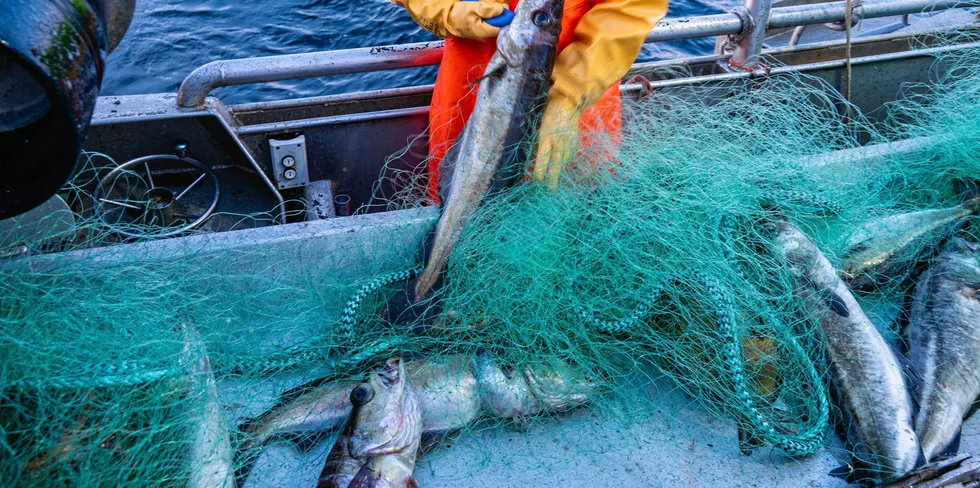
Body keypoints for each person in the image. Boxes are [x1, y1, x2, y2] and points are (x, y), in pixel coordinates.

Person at [391, 0, 669, 199]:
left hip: (575, 110)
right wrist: (441, 7)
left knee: (568, 230)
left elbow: (633, 7)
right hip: (469, 93)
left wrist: (570, 95)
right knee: (456, 216)